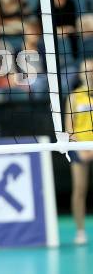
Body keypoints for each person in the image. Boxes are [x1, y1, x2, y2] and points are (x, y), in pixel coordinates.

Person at [65, 59, 93, 245]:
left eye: (92, 70)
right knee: (79, 189)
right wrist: (82, 149)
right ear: (80, 74)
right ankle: (80, 231)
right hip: (81, 148)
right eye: (86, 71)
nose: (90, 74)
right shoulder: (74, 97)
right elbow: (69, 129)